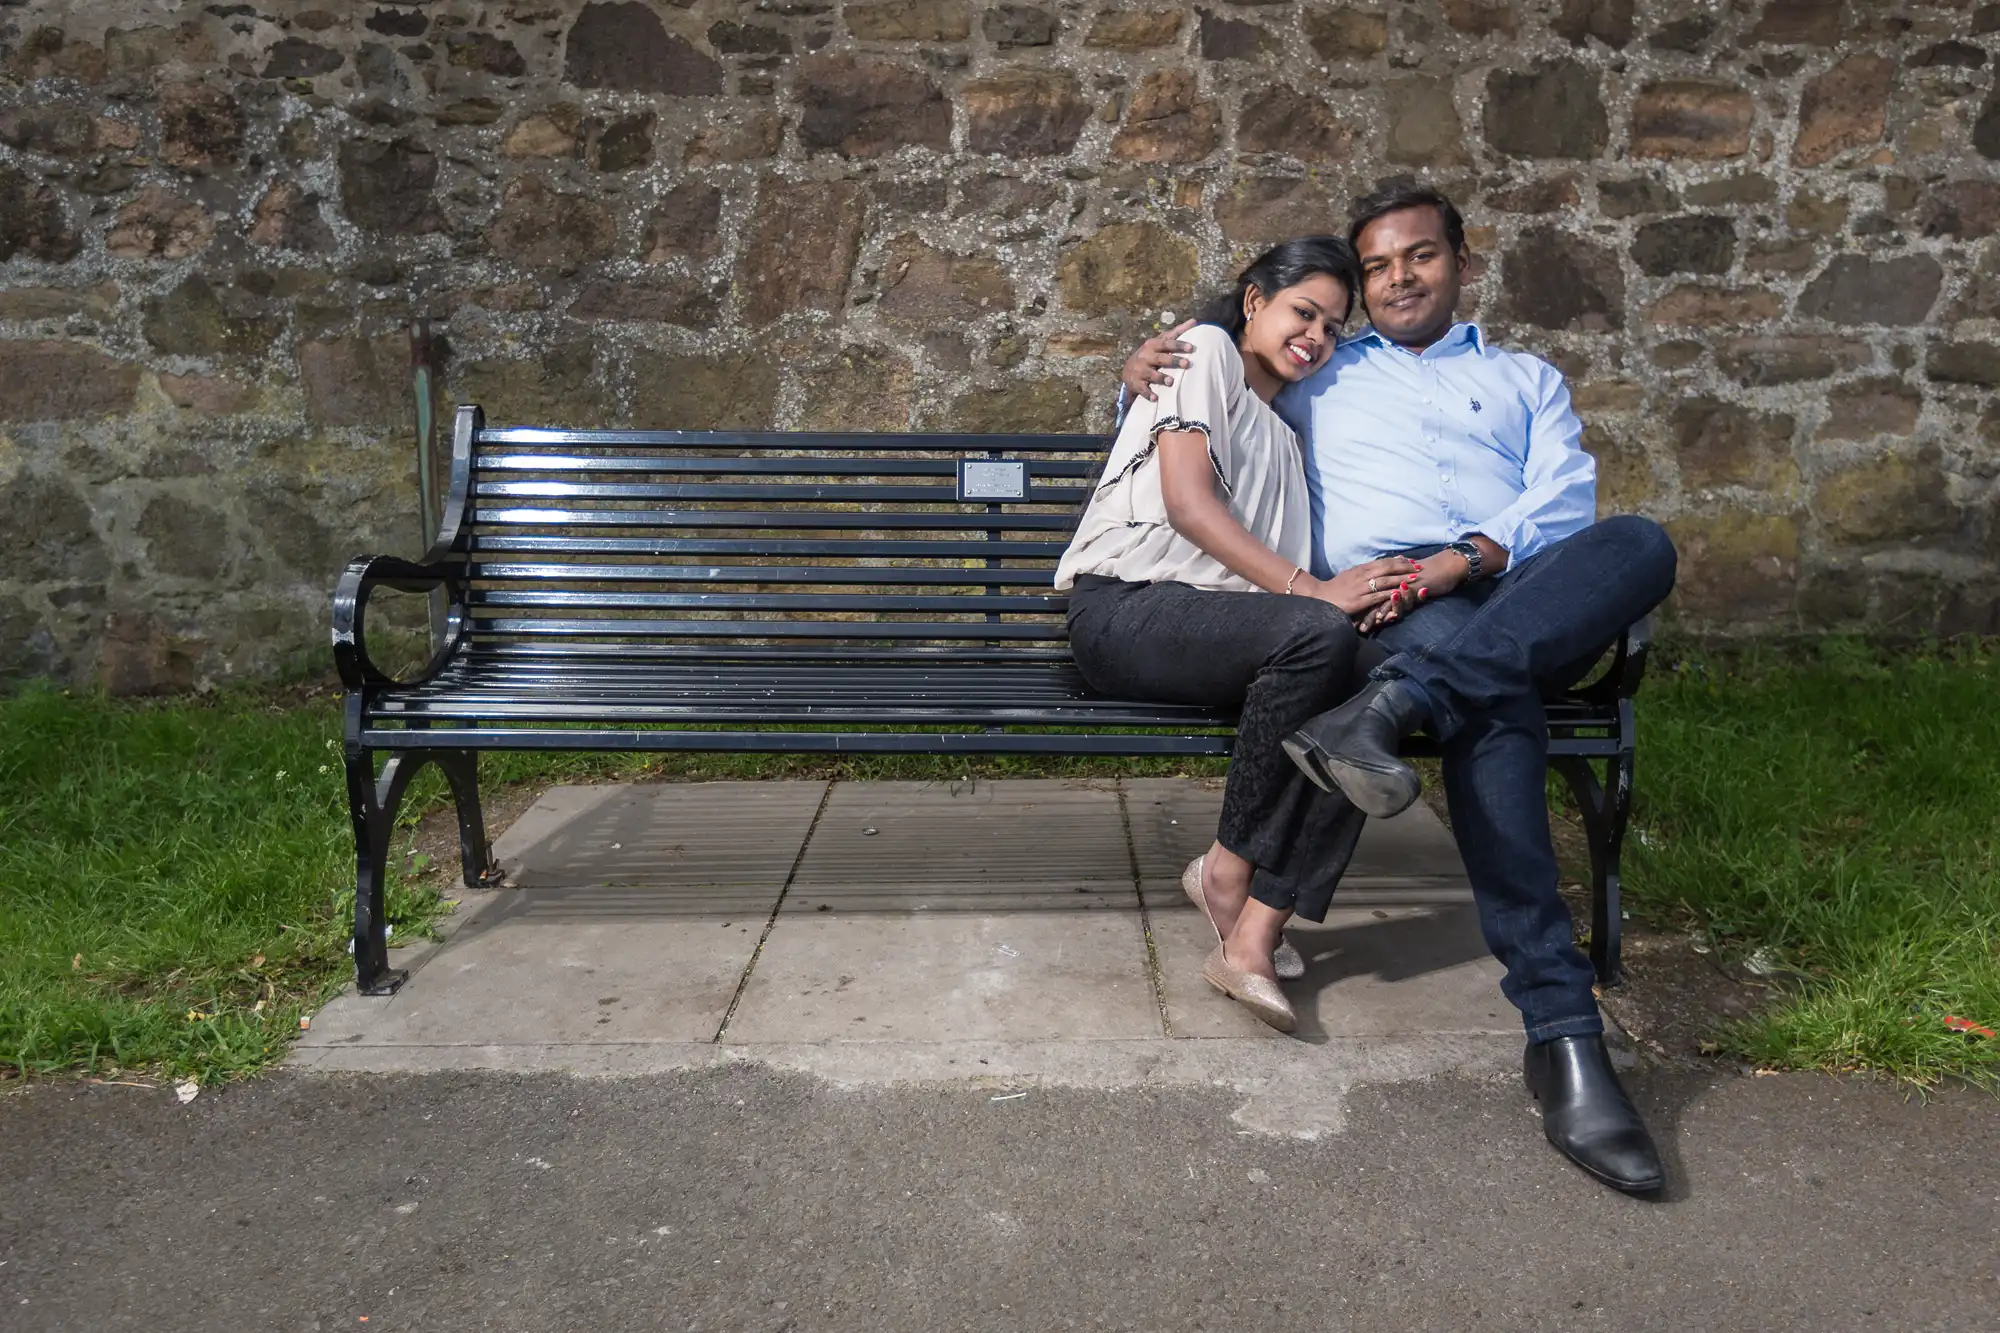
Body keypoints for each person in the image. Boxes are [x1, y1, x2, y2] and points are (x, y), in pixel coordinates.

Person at [1120, 183, 1678, 1194]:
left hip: (1506, 585)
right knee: (1494, 707)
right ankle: (1562, 1035)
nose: (1393, 280)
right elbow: (1224, 353)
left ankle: (1395, 707)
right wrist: (1134, 368)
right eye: (1374, 267)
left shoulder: (1525, 378)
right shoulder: (1320, 372)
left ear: (1462, 260)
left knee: (1637, 541)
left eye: (1415, 256)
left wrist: (1462, 559)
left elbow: (1561, 501)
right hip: (1392, 609)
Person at [1059, 237, 1423, 1033]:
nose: (1317, 337)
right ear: (1255, 300)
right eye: (1305, 312)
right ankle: (1227, 870)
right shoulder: (1204, 351)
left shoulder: (1287, 441)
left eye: (1332, 327)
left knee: (1375, 682)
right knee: (1320, 631)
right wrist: (1315, 593)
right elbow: (1189, 504)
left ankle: (1263, 914)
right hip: (1126, 609)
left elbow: (1280, 596)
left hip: (1216, 631)